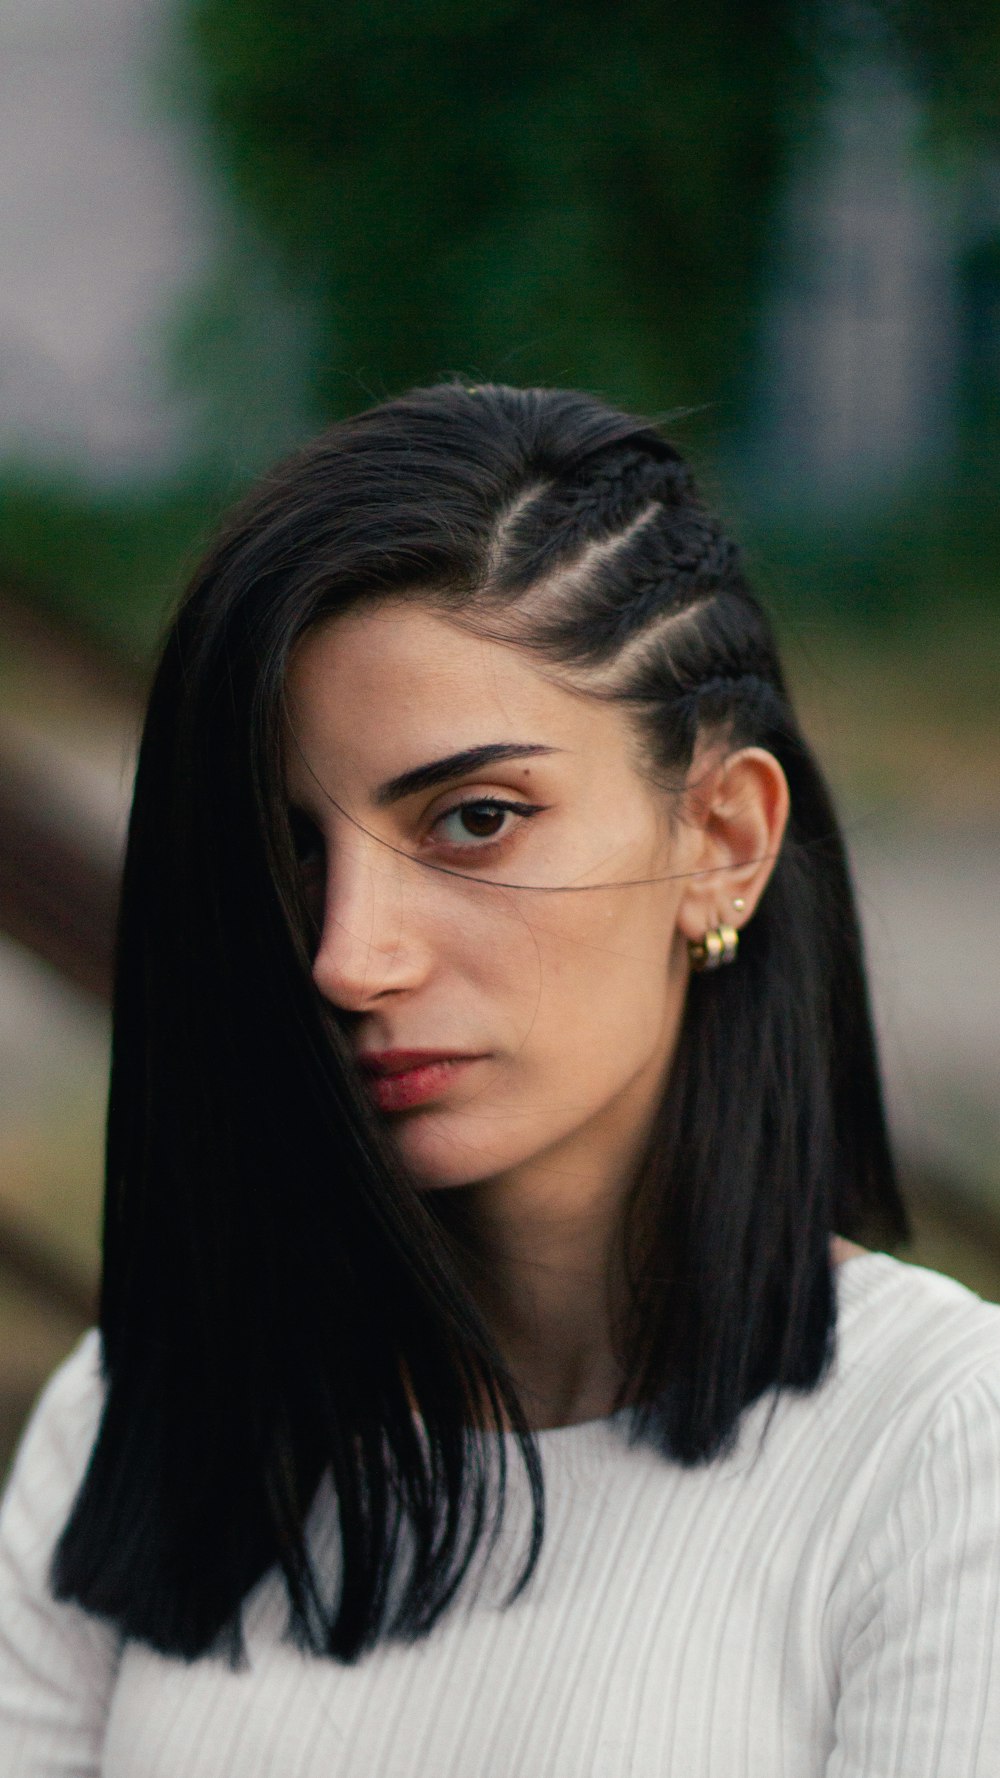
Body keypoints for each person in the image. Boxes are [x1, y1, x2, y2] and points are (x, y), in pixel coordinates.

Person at [1, 382, 998, 1778]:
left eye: (474, 820)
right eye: (293, 852)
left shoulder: (943, 1449)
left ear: (724, 836)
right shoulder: (139, 1414)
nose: (349, 955)